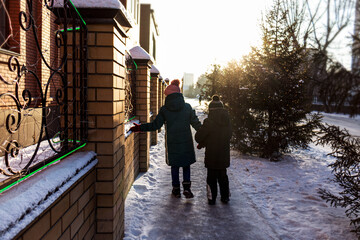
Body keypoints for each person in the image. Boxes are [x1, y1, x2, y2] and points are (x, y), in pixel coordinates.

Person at [130, 79, 202, 198]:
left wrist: (140, 128)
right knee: (186, 165)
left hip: (172, 142)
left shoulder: (165, 109)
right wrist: (207, 134)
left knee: (175, 165)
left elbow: (155, 125)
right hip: (186, 142)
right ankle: (187, 188)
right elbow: (197, 124)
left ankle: (176, 189)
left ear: (167, 96)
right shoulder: (187, 107)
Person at [195, 95, 232, 205]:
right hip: (224, 153)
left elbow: (198, 137)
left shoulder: (209, 122)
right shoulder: (227, 121)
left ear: (211, 110)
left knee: (211, 177)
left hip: (211, 154)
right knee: (223, 176)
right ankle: (225, 197)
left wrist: (205, 141)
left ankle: (212, 198)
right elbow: (229, 135)